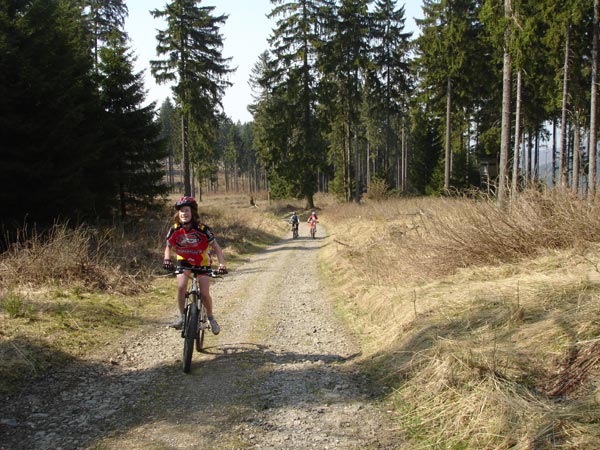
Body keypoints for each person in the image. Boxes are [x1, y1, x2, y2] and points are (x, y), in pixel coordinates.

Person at [163, 196, 227, 332]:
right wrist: (167, 259)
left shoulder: (202, 229)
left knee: (204, 293)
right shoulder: (174, 229)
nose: (184, 214)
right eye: (181, 211)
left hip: (202, 263)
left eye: (186, 210)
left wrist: (222, 265)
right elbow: (168, 246)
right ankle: (181, 317)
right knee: (181, 287)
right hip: (184, 261)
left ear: (192, 213)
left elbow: (216, 247)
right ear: (178, 214)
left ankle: (211, 318)